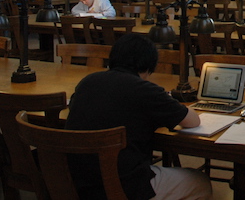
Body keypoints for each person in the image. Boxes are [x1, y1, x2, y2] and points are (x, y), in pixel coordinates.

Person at [65, 34, 213, 200]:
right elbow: (192, 121)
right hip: (123, 186)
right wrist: (167, 100)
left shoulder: (87, 82)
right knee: (200, 182)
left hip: (76, 183)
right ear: (148, 66)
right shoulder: (145, 89)